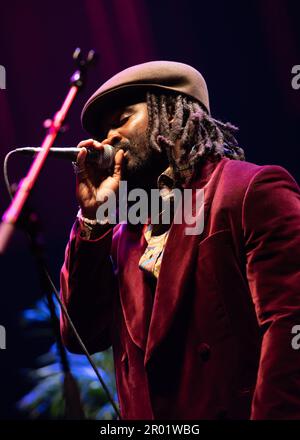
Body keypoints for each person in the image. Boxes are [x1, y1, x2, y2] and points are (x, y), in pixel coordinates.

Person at [60, 61, 300, 420]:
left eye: (121, 119)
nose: (108, 138)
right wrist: (93, 219)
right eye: (105, 128)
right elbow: (83, 335)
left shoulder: (247, 190)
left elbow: (287, 326)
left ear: (172, 114)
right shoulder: (125, 231)